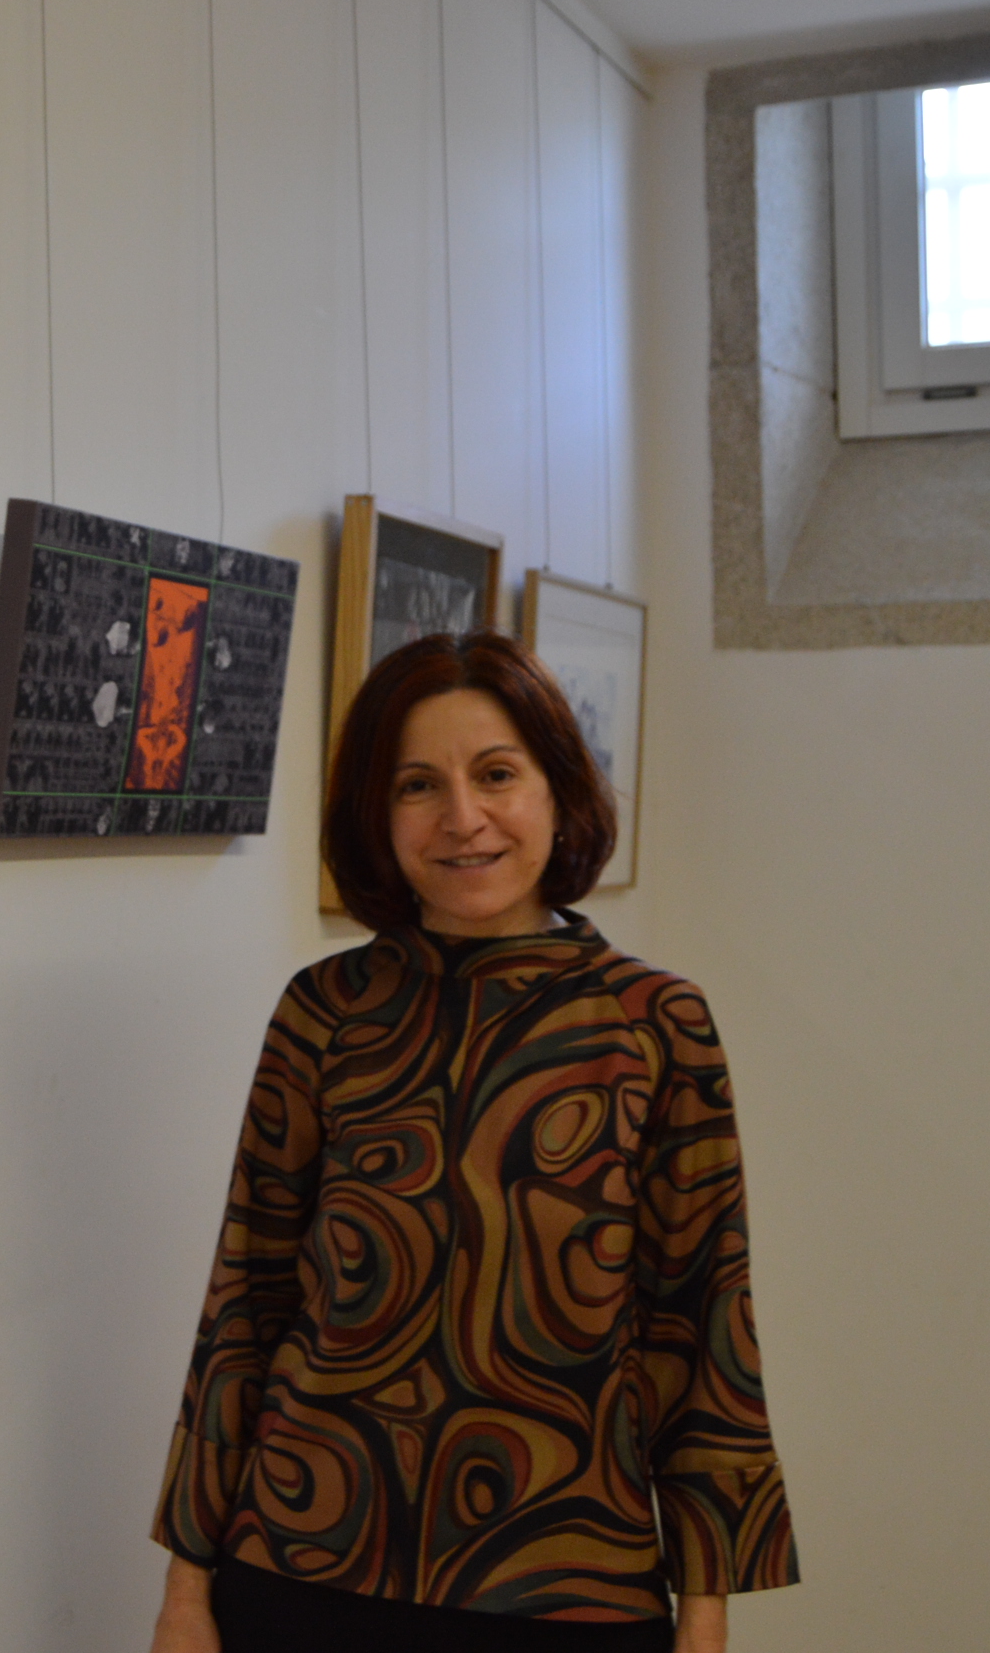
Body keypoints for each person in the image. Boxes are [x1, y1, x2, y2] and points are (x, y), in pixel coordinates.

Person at [147, 633, 797, 1653]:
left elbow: (703, 1325)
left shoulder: (655, 1023)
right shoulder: (325, 1011)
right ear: (376, 814)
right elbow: (245, 1305)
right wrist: (186, 1588)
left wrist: (705, 1611)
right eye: (418, 784)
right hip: (300, 1568)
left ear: (557, 789)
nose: (462, 817)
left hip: (571, 1584)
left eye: (496, 773)